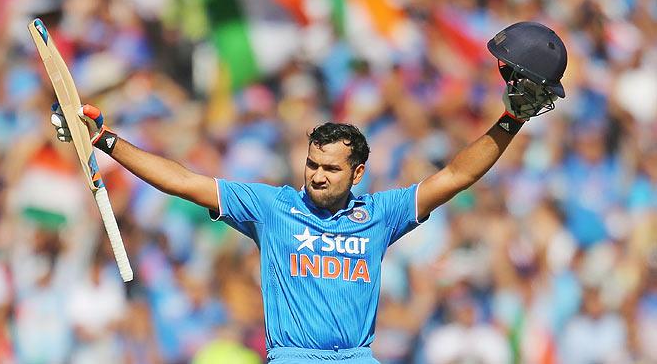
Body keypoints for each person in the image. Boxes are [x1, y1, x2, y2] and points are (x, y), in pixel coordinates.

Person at [50, 21, 567, 363]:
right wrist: (109, 141)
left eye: (330, 169)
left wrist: (511, 120)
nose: (317, 176)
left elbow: (455, 175)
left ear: (357, 173)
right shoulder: (273, 208)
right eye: (312, 165)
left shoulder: (380, 214)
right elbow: (184, 180)